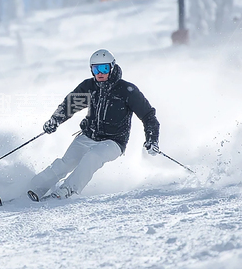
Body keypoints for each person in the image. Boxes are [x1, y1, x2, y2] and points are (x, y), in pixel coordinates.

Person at [27, 49, 160, 201]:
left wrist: (152, 139)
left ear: (112, 67)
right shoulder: (89, 87)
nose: (100, 73)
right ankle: (34, 188)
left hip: (114, 142)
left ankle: (67, 190)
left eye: (104, 68)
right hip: (89, 135)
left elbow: (148, 116)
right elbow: (69, 105)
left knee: (92, 157)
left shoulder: (127, 91)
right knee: (65, 163)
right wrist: (55, 120)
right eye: (96, 69)